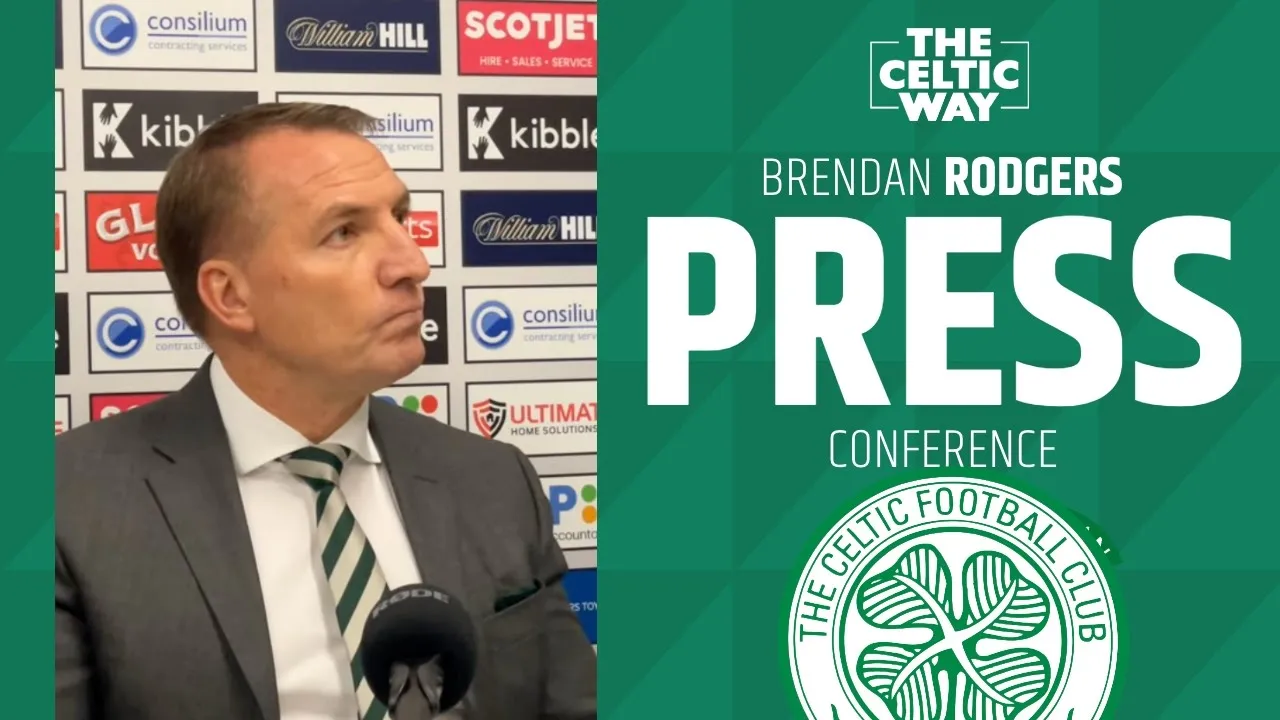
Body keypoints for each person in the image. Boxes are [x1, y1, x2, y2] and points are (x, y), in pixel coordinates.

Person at [54, 102, 598, 720]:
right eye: (343, 232)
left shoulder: (493, 479)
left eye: (400, 218)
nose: (413, 264)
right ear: (231, 296)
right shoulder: (68, 505)